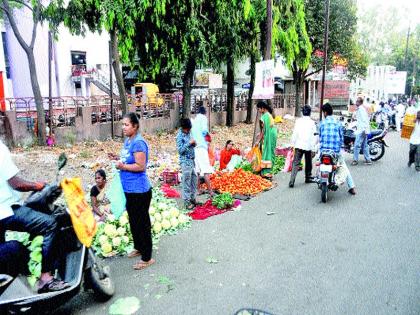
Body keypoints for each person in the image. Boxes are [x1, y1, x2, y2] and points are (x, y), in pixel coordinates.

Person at [0, 140, 69, 293]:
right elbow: (16, 183)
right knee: (50, 224)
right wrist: (37, 185)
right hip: (6, 209)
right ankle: (46, 278)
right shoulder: (0, 148)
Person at [109, 113, 154, 270]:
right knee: (134, 221)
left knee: (142, 223)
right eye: (123, 124)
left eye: (126, 125)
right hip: (128, 189)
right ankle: (139, 247)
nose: (123, 127)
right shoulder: (128, 141)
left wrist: (123, 166)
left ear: (135, 126)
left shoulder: (139, 143)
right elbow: (128, 158)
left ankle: (147, 257)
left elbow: (140, 166)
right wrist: (117, 158)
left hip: (139, 190)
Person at [319, 103, 356, 195]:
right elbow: (341, 138)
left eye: (323, 112)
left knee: (319, 164)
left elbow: (320, 137)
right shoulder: (338, 123)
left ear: (325, 112)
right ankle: (352, 187)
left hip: (324, 151)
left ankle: (320, 179)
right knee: (343, 167)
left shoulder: (321, 123)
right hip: (335, 152)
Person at [289, 105, 317, 187]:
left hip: (299, 145)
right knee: (308, 162)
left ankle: (292, 180)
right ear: (310, 113)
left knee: (296, 163)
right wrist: (313, 148)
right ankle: (308, 177)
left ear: (302, 112)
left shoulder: (298, 121)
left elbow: (295, 133)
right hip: (308, 146)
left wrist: (292, 144)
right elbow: (314, 136)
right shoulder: (312, 123)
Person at [191, 106, 214, 196]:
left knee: (197, 170)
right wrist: (207, 136)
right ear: (204, 113)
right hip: (201, 147)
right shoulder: (203, 118)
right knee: (206, 170)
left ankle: (198, 190)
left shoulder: (194, 120)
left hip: (195, 147)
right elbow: (204, 131)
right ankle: (211, 192)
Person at [176, 118, 198, 210]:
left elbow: (192, 143)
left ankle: (193, 199)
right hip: (185, 161)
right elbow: (180, 150)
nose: (188, 130)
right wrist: (189, 143)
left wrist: (194, 144)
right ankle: (186, 202)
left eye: (189, 129)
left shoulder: (189, 132)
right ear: (183, 128)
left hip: (192, 160)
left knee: (194, 179)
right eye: (187, 129)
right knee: (186, 182)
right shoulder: (179, 136)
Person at [256, 101, 278, 178]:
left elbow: (263, 131)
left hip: (269, 137)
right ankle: (269, 171)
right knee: (271, 153)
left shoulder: (263, 117)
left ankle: (265, 172)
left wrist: (258, 141)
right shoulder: (269, 115)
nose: (258, 111)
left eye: (258, 109)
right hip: (273, 136)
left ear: (262, 108)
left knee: (266, 153)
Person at [352, 97, 372, 165]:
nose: (356, 103)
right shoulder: (360, 109)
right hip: (363, 129)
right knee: (364, 145)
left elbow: (364, 120)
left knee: (357, 145)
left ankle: (355, 160)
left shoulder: (361, 109)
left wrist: (363, 130)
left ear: (360, 102)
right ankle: (368, 160)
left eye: (357, 101)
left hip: (362, 130)